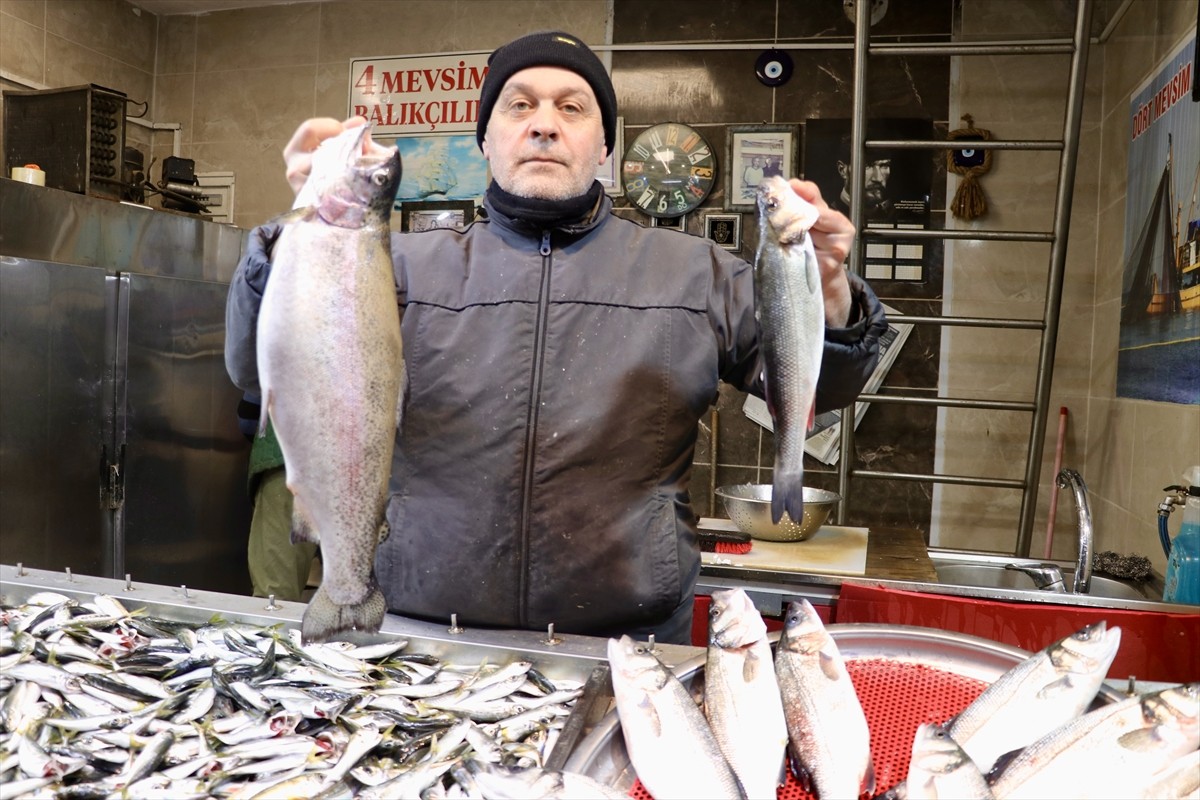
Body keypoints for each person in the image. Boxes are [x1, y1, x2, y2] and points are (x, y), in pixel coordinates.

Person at [225, 30, 887, 645]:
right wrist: (301, 232)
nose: (544, 123)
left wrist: (827, 296)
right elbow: (258, 364)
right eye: (519, 106)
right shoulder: (392, 267)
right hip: (420, 634)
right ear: (487, 139)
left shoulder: (697, 273)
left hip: (629, 651)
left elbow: (819, 390)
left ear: (604, 147)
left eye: (572, 108)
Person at [236, 391, 317, 601]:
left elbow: (242, 366)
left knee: (275, 601)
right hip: (376, 456)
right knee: (366, 600)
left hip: (293, 447)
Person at [834, 134, 896, 221]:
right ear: (842, 170)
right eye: (867, 166)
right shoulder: (823, 215)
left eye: (884, 165)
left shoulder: (893, 214)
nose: (878, 178)